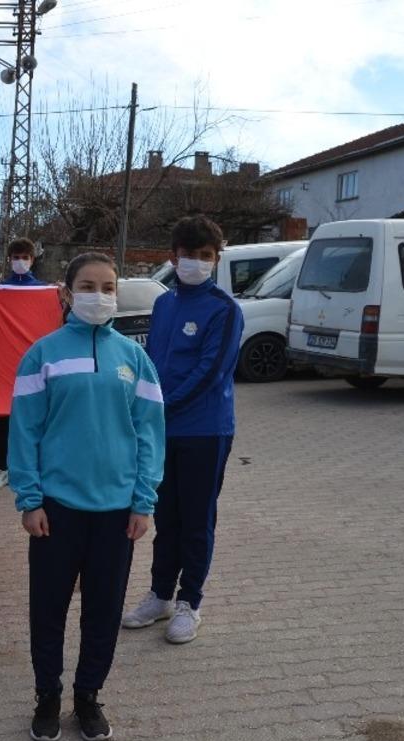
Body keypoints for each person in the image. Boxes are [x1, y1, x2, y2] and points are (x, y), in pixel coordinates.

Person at [9, 252, 165, 741]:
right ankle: (47, 697)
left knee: (103, 611)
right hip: (56, 511)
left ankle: (88, 695)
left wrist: (144, 501)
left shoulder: (134, 358)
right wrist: (29, 500)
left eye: (108, 286)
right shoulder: (42, 354)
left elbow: (149, 433)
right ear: (67, 291)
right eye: (89, 285)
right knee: (48, 611)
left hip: (117, 514)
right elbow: (25, 431)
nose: (100, 294)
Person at [121, 215, 243, 644]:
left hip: (204, 431)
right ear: (173, 257)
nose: (195, 262)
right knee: (164, 514)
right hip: (162, 431)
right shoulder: (164, 303)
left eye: (205, 256)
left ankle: (191, 601)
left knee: (196, 518)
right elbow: (150, 362)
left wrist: (159, 407)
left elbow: (211, 371)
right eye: (188, 255)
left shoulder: (225, 310)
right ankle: (160, 595)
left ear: (216, 259)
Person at [0, 237, 47, 491]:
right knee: (5, 422)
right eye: (16, 257)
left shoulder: (43, 291)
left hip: (35, 364)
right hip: (6, 366)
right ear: (9, 260)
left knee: (38, 419)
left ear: (32, 260)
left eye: (25, 257)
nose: (20, 262)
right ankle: (2, 469)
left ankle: (38, 468)